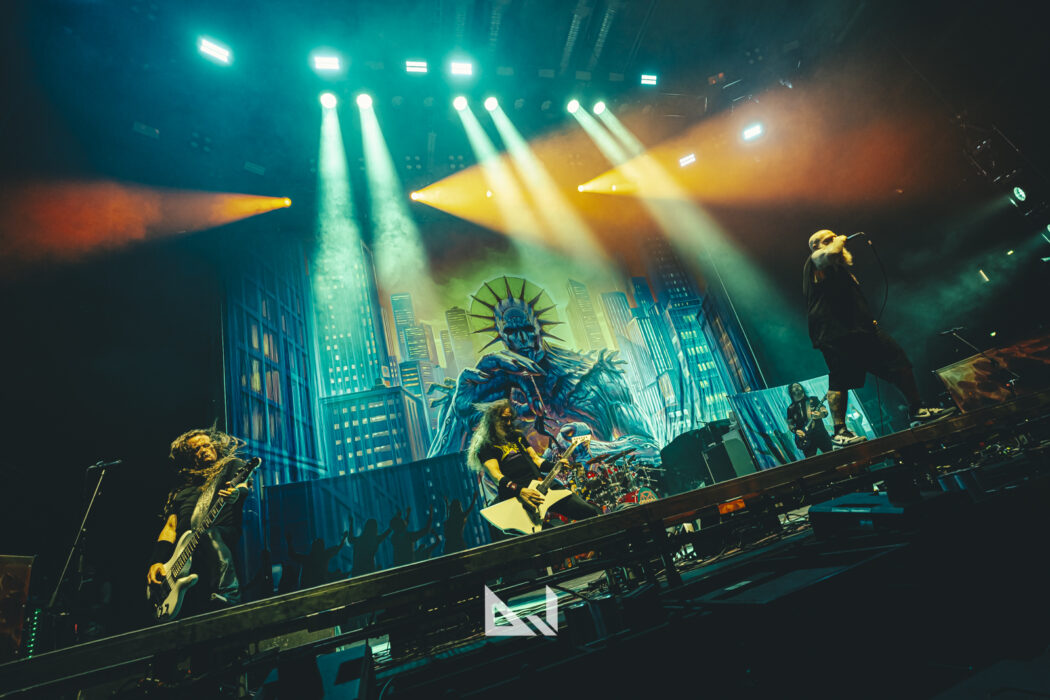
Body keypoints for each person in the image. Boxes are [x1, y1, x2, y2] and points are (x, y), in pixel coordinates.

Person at [804, 230, 954, 446]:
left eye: (834, 237)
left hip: (862, 331)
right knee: (840, 379)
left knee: (899, 361)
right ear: (816, 246)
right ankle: (839, 431)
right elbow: (828, 254)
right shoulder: (815, 261)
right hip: (835, 335)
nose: (836, 240)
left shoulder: (840, 270)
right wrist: (839, 240)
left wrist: (866, 319)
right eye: (828, 239)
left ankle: (917, 409)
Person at [146, 428, 251, 609]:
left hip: (221, 535)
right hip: (185, 555)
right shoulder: (180, 489)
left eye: (207, 445)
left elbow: (243, 484)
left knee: (209, 533)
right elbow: (170, 527)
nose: (203, 450)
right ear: (188, 457)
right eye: (196, 449)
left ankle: (230, 593)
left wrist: (236, 493)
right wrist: (156, 561)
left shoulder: (230, 466)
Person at [467, 399, 601, 537]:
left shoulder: (516, 437)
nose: (509, 423)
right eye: (504, 419)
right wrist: (520, 491)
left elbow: (536, 461)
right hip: (519, 495)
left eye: (510, 419)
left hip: (542, 484)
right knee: (548, 537)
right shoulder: (486, 446)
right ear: (492, 420)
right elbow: (496, 476)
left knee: (589, 512)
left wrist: (556, 466)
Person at [785, 383, 833, 458]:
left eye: (798, 386)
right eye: (793, 387)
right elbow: (790, 424)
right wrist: (796, 431)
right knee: (812, 462)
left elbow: (825, 412)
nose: (796, 387)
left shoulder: (813, 400)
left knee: (832, 456)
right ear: (790, 391)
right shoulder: (790, 408)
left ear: (802, 388)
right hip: (805, 439)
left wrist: (820, 414)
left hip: (821, 435)